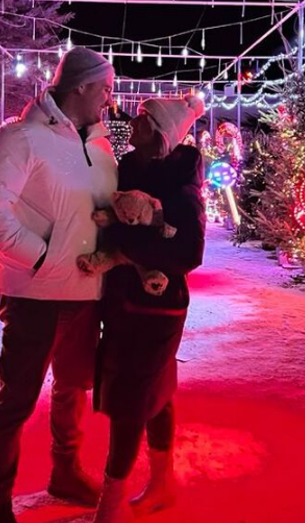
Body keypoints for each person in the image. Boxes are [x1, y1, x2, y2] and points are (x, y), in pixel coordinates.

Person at [0, 47, 117, 523]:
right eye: (106, 88)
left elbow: (98, 210)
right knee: (17, 398)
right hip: (35, 295)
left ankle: (65, 471)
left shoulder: (100, 146)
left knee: (73, 389)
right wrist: (43, 256)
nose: (110, 99)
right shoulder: (21, 138)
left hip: (87, 293)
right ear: (81, 87)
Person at [89, 93, 206, 522]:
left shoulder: (181, 186)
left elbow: (190, 252)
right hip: (123, 301)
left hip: (158, 307)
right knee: (155, 391)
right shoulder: (128, 168)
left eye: (144, 117)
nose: (134, 119)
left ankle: (112, 500)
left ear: (159, 134)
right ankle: (162, 484)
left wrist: (126, 249)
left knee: (130, 398)